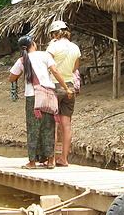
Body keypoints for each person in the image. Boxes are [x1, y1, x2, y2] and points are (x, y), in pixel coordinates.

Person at [9, 35, 73, 169]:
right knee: (49, 127)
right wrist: (66, 88)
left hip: (32, 97)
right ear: (33, 44)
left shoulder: (22, 60)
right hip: (48, 95)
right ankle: (50, 161)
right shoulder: (45, 56)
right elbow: (55, 71)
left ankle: (32, 162)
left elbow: (12, 78)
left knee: (33, 129)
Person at [46, 20, 81, 167]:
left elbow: (46, 63)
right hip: (69, 87)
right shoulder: (75, 48)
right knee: (66, 125)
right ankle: (64, 159)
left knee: (53, 125)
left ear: (55, 33)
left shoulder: (53, 46)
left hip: (54, 86)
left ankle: (52, 159)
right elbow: (75, 69)